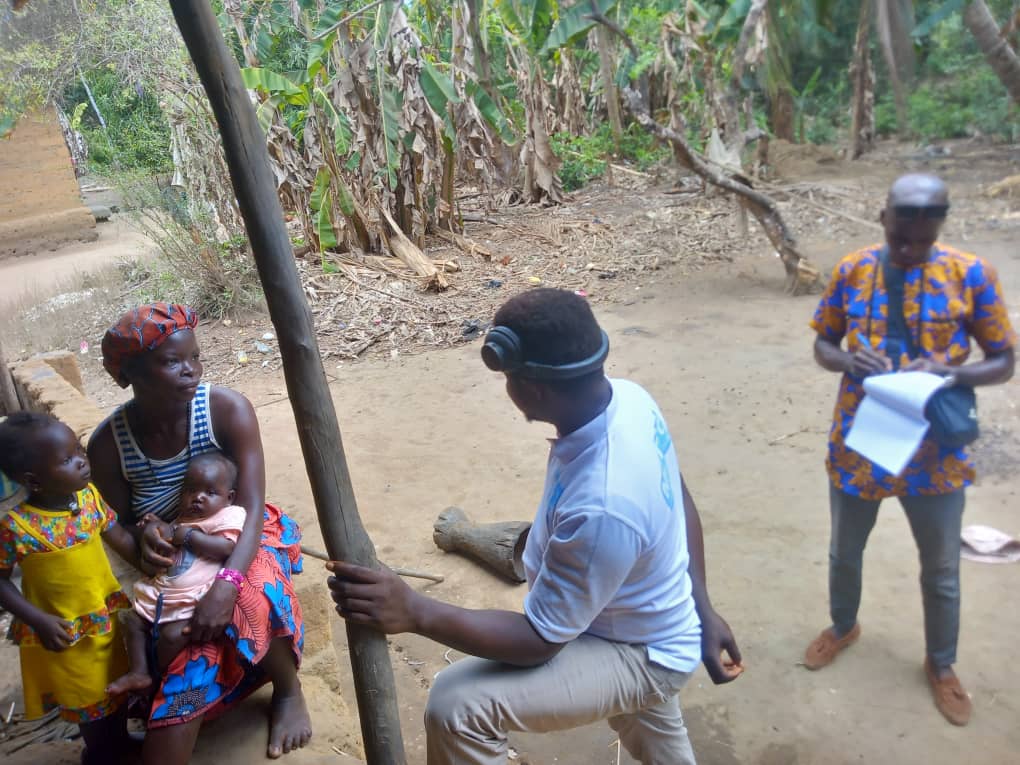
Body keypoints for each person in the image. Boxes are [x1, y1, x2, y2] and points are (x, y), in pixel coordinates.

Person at [327, 288, 743, 765]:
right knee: (650, 719)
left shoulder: (603, 504)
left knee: (457, 705)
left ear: (533, 389)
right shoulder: (630, 401)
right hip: (644, 619)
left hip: (638, 650)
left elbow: (539, 641)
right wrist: (701, 609)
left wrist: (415, 611)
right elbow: (679, 497)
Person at [804, 174, 1016, 726]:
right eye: (901, 239)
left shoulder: (970, 274)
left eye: (922, 242)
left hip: (936, 454)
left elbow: (1002, 360)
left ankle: (941, 665)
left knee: (942, 567)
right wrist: (848, 360)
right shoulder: (852, 269)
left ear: (939, 227)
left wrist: (948, 371)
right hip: (860, 447)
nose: (910, 251)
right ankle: (843, 626)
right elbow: (823, 342)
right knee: (844, 553)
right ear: (883, 219)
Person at [87, 303, 310, 763]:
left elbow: (249, 508)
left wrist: (227, 583)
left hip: (238, 533)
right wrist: (143, 545)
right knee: (161, 630)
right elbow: (118, 522)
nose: (190, 371)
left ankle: (288, 690)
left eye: (195, 357)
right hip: (172, 553)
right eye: (172, 362)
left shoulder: (227, 409)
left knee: (252, 589)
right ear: (130, 373)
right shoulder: (110, 444)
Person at [0, 412, 140, 764]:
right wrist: (38, 620)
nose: (82, 460)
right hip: (63, 630)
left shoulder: (88, 497)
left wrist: (154, 566)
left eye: (78, 448)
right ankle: (100, 753)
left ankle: (120, 741)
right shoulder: (17, 527)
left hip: (105, 614)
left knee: (115, 682)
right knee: (86, 699)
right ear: (34, 481)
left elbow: (118, 535)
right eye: (67, 459)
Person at [107, 452, 247, 696]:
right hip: (161, 594)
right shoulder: (183, 518)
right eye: (191, 491)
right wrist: (157, 525)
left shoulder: (228, 515)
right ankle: (139, 672)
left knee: (172, 637)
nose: (198, 498)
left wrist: (190, 537)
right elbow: (167, 537)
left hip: (190, 601)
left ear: (229, 497)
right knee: (131, 621)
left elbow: (227, 548)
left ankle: (158, 675)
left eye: (210, 493)